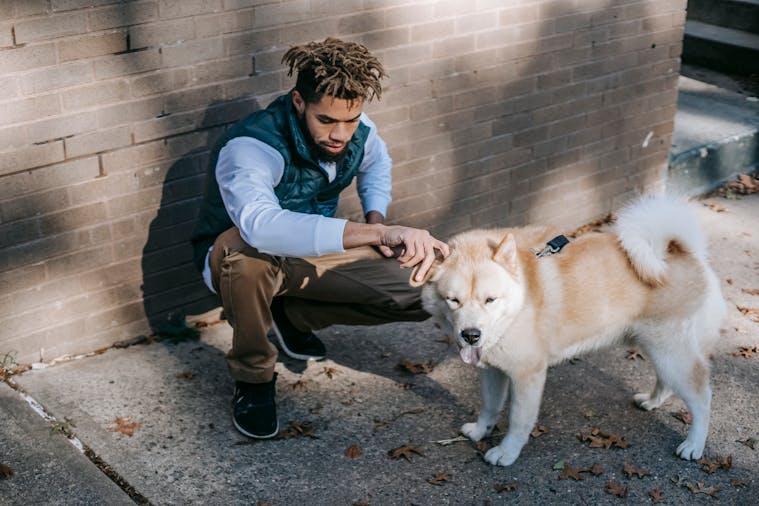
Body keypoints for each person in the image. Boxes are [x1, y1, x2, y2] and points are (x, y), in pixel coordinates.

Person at [191, 37, 449, 439]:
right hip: (237, 257)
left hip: (311, 254)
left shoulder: (357, 130)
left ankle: (293, 314)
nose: (341, 134)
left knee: (429, 289)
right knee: (246, 256)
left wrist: (376, 219)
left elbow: (377, 165)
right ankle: (254, 378)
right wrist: (380, 232)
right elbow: (260, 225)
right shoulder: (252, 146)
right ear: (299, 103)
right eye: (326, 120)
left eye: (351, 119)